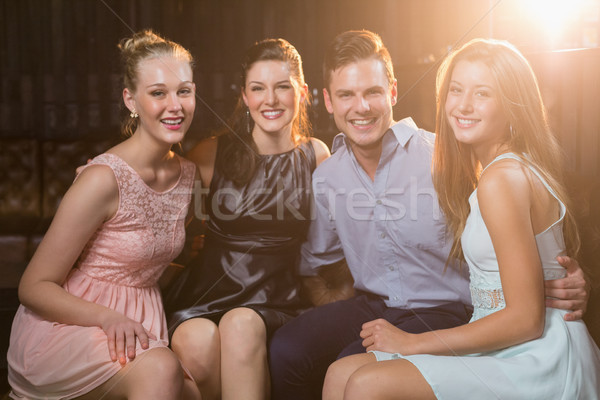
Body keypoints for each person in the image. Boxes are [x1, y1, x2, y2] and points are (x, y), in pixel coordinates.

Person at [268, 30, 591, 400]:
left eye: (372, 92)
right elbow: (317, 264)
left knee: (354, 374)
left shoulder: (449, 158)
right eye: (346, 95)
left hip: (448, 309)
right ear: (327, 100)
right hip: (375, 303)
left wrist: (570, 275)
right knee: (289, 350)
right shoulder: (329, 175)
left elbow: (530, 243)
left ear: (392, 91)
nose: (361, 107)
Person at [6, 30, 200, 400]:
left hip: (141, 320)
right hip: (72, 326)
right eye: (158, 93)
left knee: (193, 386)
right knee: (161, 370)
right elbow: (33, 287)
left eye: (184, 91)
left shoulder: (189, 174)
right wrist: (108, 317)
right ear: (131, 100)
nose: (175, 105)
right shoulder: (102, 178)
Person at [162, 38, 330, 400]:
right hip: (205, 298)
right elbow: (153, 192)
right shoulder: (210, 153)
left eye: (282, 87)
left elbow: (335, 239)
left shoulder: (317, 155)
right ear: (244, 96)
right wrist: (112, 175)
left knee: (241, 323)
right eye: (258, 88)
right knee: (197, 341)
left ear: (302, 91)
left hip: (279, 300)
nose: (270, 100)